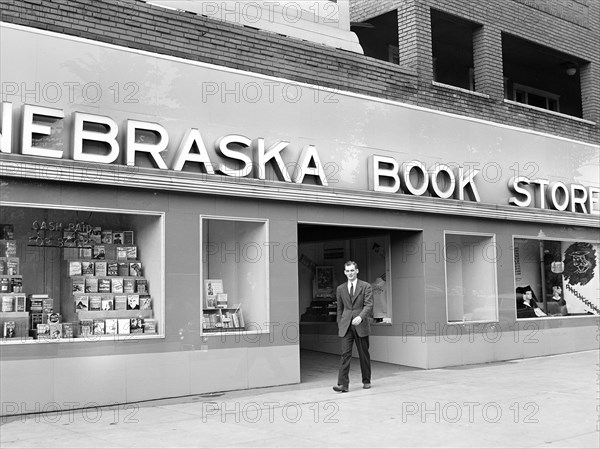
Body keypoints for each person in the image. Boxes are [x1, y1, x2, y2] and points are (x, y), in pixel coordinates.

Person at [333, 260, 373, 393]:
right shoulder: (340, 289)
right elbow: (339, 309)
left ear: (357, 271)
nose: (350, 273)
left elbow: (369, 305)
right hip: (345, 326)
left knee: (363, 354)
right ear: (345, 272)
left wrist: (360, 317)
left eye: (352, 270)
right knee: (345, 355)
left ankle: (366, 380)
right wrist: (340, 323)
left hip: (360, 325)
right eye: (348, 271)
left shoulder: (366, 286)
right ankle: (343, 385)